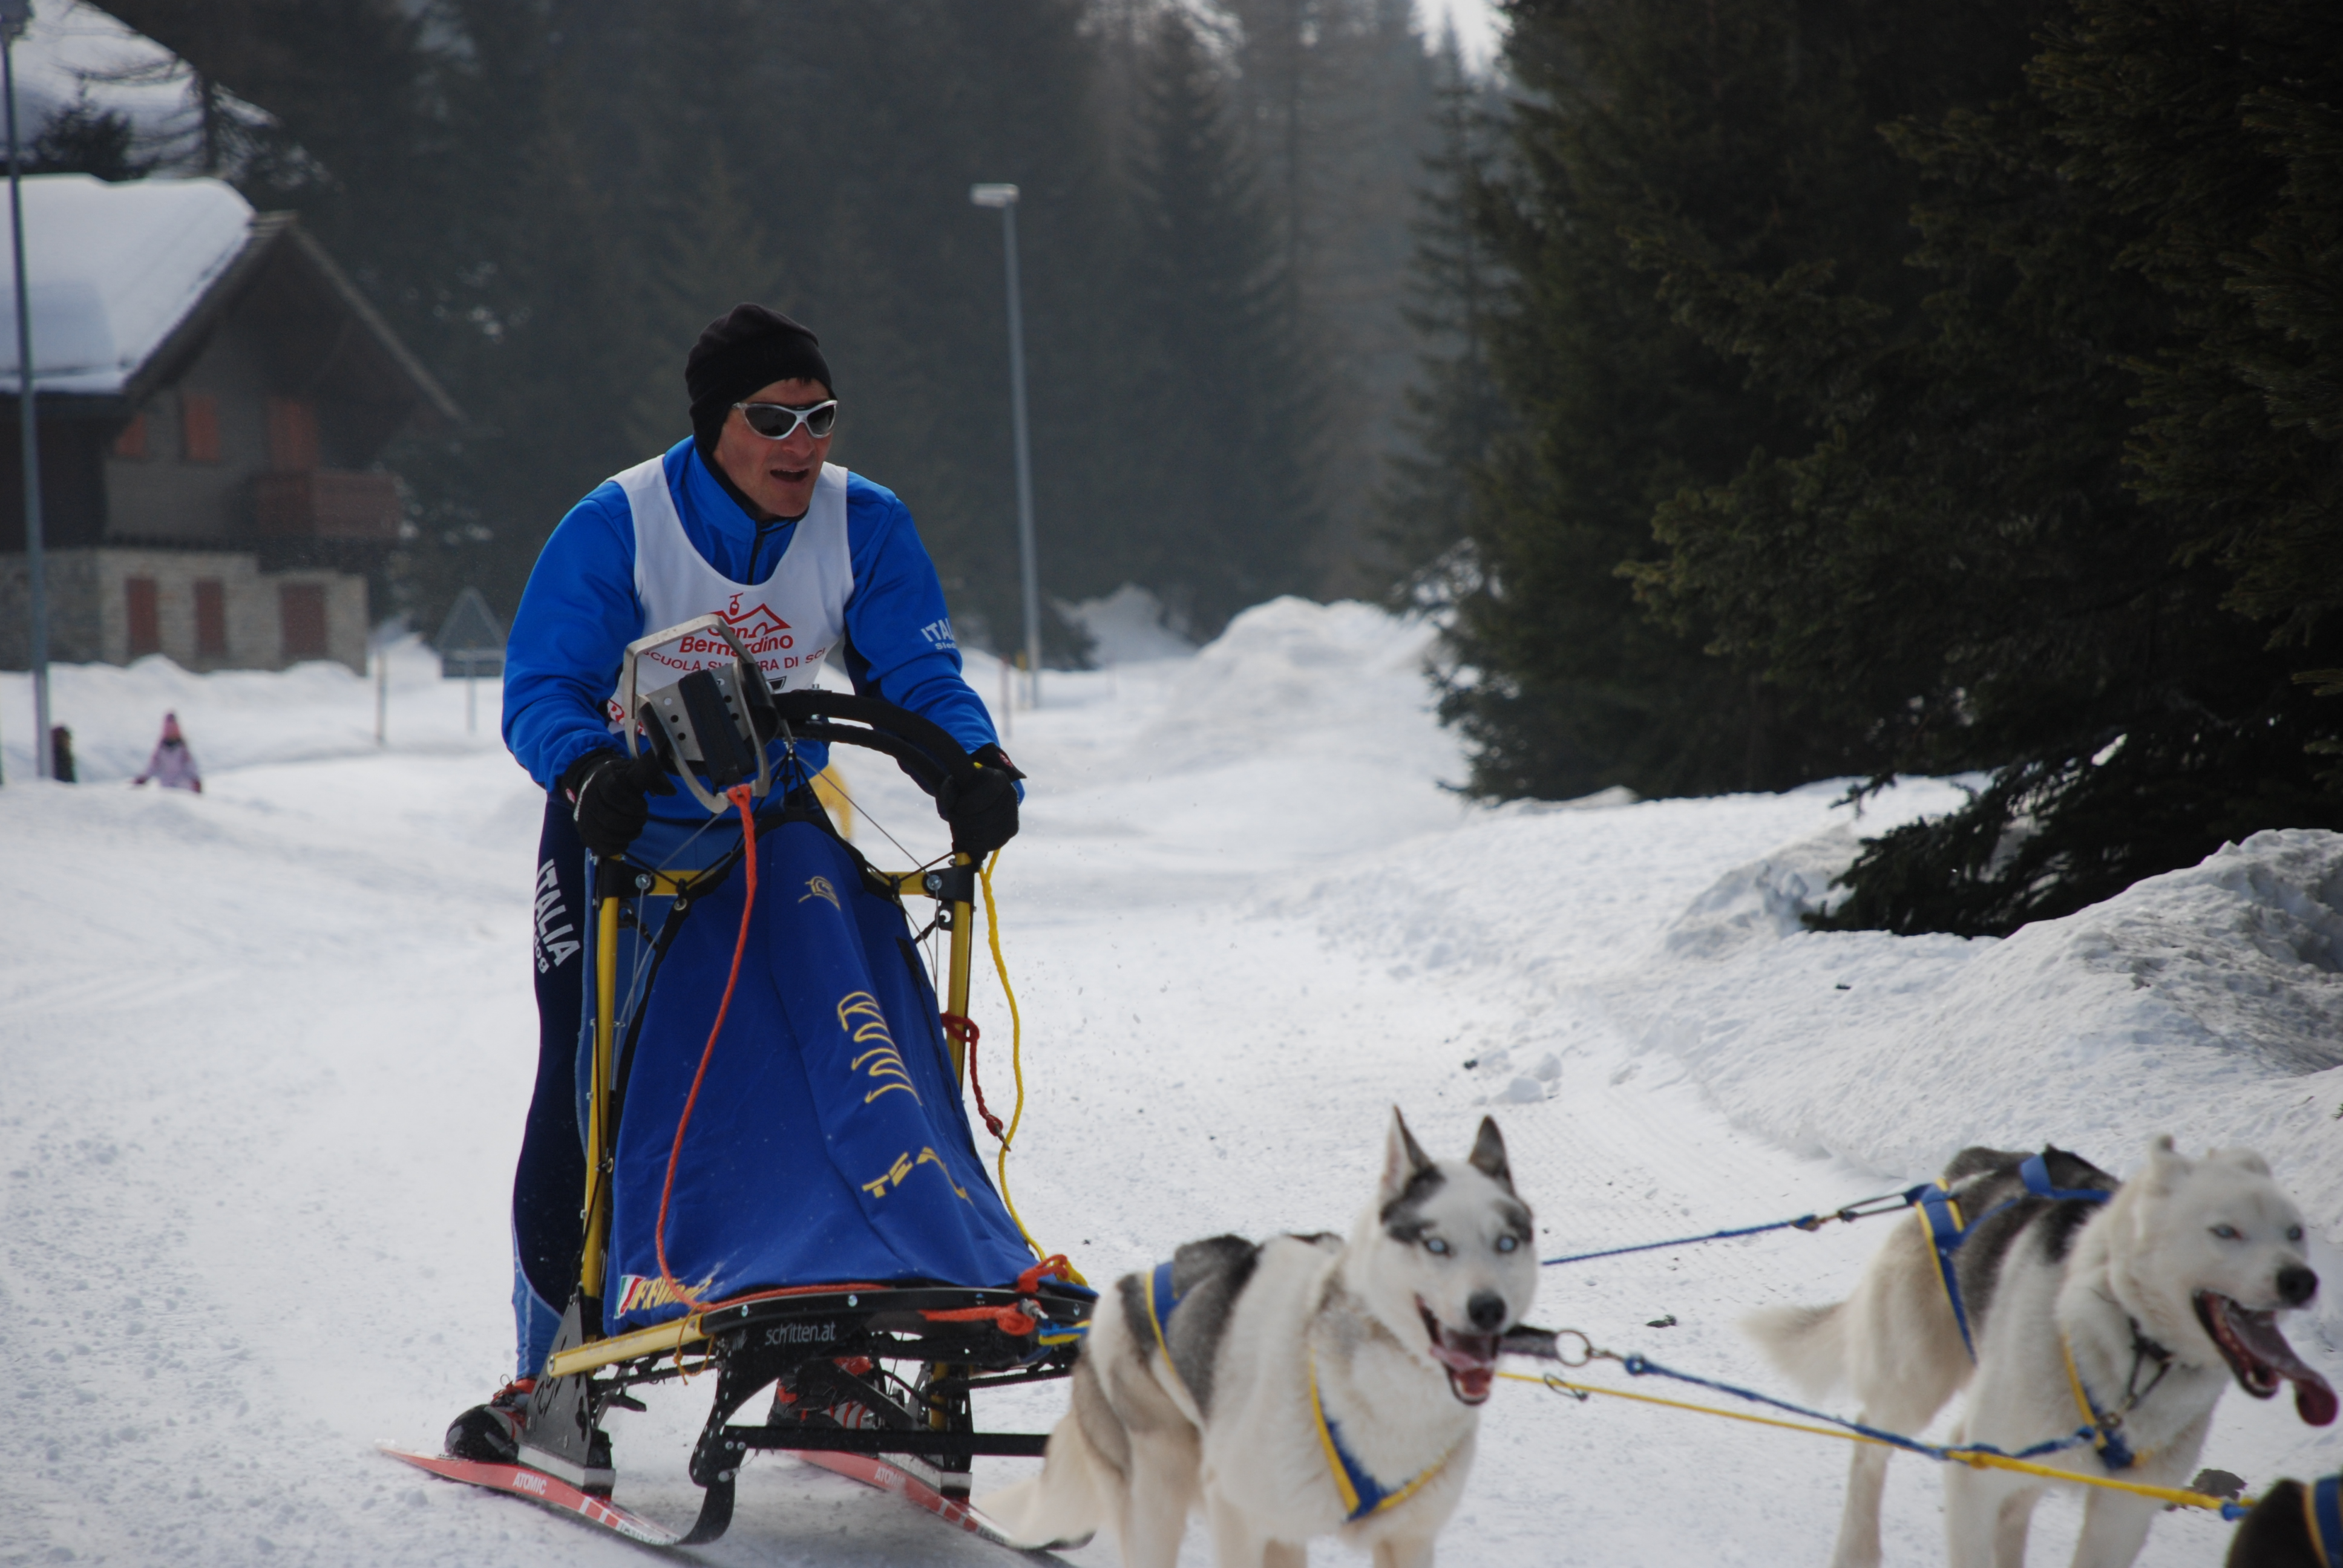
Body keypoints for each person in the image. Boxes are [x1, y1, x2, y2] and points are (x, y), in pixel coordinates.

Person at [448, 305, 1024, 1463]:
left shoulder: (864, 521)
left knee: (836, 1048)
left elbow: (916, 674)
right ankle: (544, 1373)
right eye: (773, 419)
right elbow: (543, 685)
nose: (801, 443)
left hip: (766, 815)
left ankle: (823, 1355)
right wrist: (585, 767)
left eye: (820, 417)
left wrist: (972, 762)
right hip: (616, 824)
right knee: (588, 1079)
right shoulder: (620, 523)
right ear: (716, 424)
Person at [130, 713, 200, 792]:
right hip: (166, 787)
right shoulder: (161, 748)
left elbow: (190, 765)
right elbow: (153, 766)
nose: (171, 730)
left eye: (173, 727)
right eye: (168, 727)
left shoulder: (183, 748)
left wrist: (196, 780)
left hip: (182, 786)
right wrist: (144, 778)